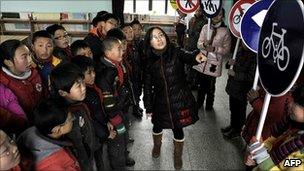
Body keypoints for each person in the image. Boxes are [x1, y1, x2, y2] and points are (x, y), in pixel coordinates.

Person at [143, 26, 207, 169]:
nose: (159, 39)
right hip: (160, 103)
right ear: (149, 42)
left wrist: (196, 56)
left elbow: (188, 56)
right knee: (157, 125)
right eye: (154, 37)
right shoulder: (149, 62)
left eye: (161, 35)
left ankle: (177, 155)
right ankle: (157, 146)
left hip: (179, 100)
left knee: (178, 129)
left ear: (166, 36)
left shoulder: (176, 52)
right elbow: (147, 86)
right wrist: (148, 106)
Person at [95, 37, 135, 169]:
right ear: (107, 52)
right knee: (117, 142)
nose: (122, 51)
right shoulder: (106, 72)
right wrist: (115, 120)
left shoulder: (115, 64)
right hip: (114, 116)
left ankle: (124, 157)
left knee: (123, 136)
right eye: (118, 49)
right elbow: (108, 101)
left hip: (121, 109)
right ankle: (119, 166)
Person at [50, 63, 99, 171]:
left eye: (83, 83)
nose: (84, 88)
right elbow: (77, 148)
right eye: (78, 86)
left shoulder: (79, 103)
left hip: (90, 152)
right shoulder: (66, 118)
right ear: (62, 92)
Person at [71, 55, 117, 170]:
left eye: (93, 72)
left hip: (100, 132)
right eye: (89, 73)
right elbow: (91, 121)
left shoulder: (91, 88)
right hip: (93, 137)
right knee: (95, 160)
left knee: (100, 157)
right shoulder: (82, 95)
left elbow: (98, 111)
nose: (93, 75)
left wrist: (106, 122)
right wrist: (106, 134)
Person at [246, 85, 304, 170]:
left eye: (296, 103)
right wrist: (259, 152)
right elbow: (272, 140)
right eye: (293, 100)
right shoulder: (290, 124)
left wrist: (262, 158)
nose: (290, 104)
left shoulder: (300, 157)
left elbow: (288, 165)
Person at [18, 100, 80, 171]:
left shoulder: (32, 131)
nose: (73, 119)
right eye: (70, 119)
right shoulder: (55, 163)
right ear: (57, 130)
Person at [0, 39, 44, 122]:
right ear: (8, 62)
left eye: (29, 55)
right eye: (24, 57)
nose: (30, 60)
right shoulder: (3, 84)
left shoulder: (34, 72)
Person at [197, 8, 231, 111]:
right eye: (215, 14)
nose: (216, 16)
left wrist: (215, 49)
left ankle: (209, 105)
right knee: (201, 84)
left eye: (219, 14)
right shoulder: (205, 27)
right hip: (203, 60)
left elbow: (227, 50)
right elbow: (198, 44)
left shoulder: (225, 31)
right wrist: (203, 44)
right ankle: (199, 103)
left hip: (214, 63)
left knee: (211, 86)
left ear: (223, 16)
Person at [223, 41, 256, 139]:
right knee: (232, 108)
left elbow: (251, 76)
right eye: (242, 42)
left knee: (240, 110)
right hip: (233, 86)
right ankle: (233, 125)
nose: (243, 43)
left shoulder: (254, 57)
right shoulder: (239, 51)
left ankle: (237, 130)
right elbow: (229, 65)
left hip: (242, 89)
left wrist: (235, 75)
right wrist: (229, 63)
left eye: (245, 42)